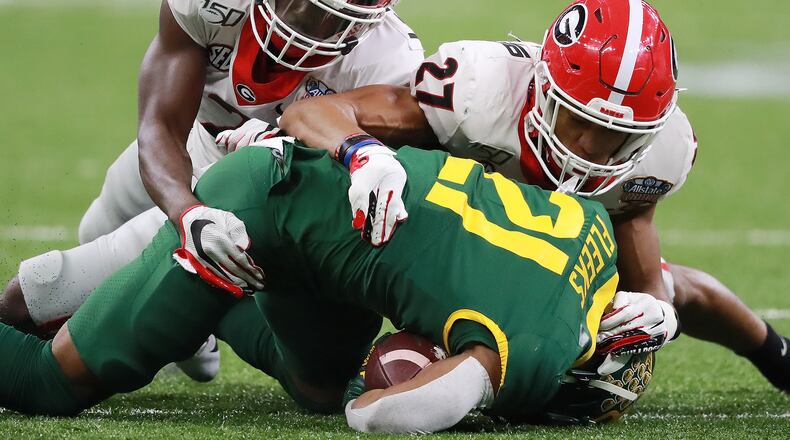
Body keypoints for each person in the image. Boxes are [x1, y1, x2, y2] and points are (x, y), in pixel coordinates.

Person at [276, 0, 789, 390]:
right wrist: (363, 153)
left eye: (619, 138)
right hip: (445, 235)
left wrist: (651, 308)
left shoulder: (665, 151)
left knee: (661, 303)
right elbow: (309, 114)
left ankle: (776, 355)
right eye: (579, 121)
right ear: (542, 86)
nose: (591, 148)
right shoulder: (476, 93)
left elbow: (638, 245)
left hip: (539, 251)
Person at [0, 140, 663, 433]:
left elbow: (668, 285)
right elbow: (384, 416)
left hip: (325, 225)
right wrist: (464, 405)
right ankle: (155, 255)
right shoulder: (541, 349)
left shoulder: (595, 234)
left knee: (321, 386)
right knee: (49, 385)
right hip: (255, 216)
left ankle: (179, 293)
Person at [0, 0, 423, 380]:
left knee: (46, 287)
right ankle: (190, 328)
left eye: (341, 17)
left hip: (269, 193)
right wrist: (187, 213)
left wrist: (285, 147)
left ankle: (197, 317)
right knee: (96, 226)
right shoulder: (210, 5)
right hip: (194, 140)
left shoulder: (388, 61)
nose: (319, 27)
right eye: (308, 6)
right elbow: (161, 124)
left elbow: (361, 187)